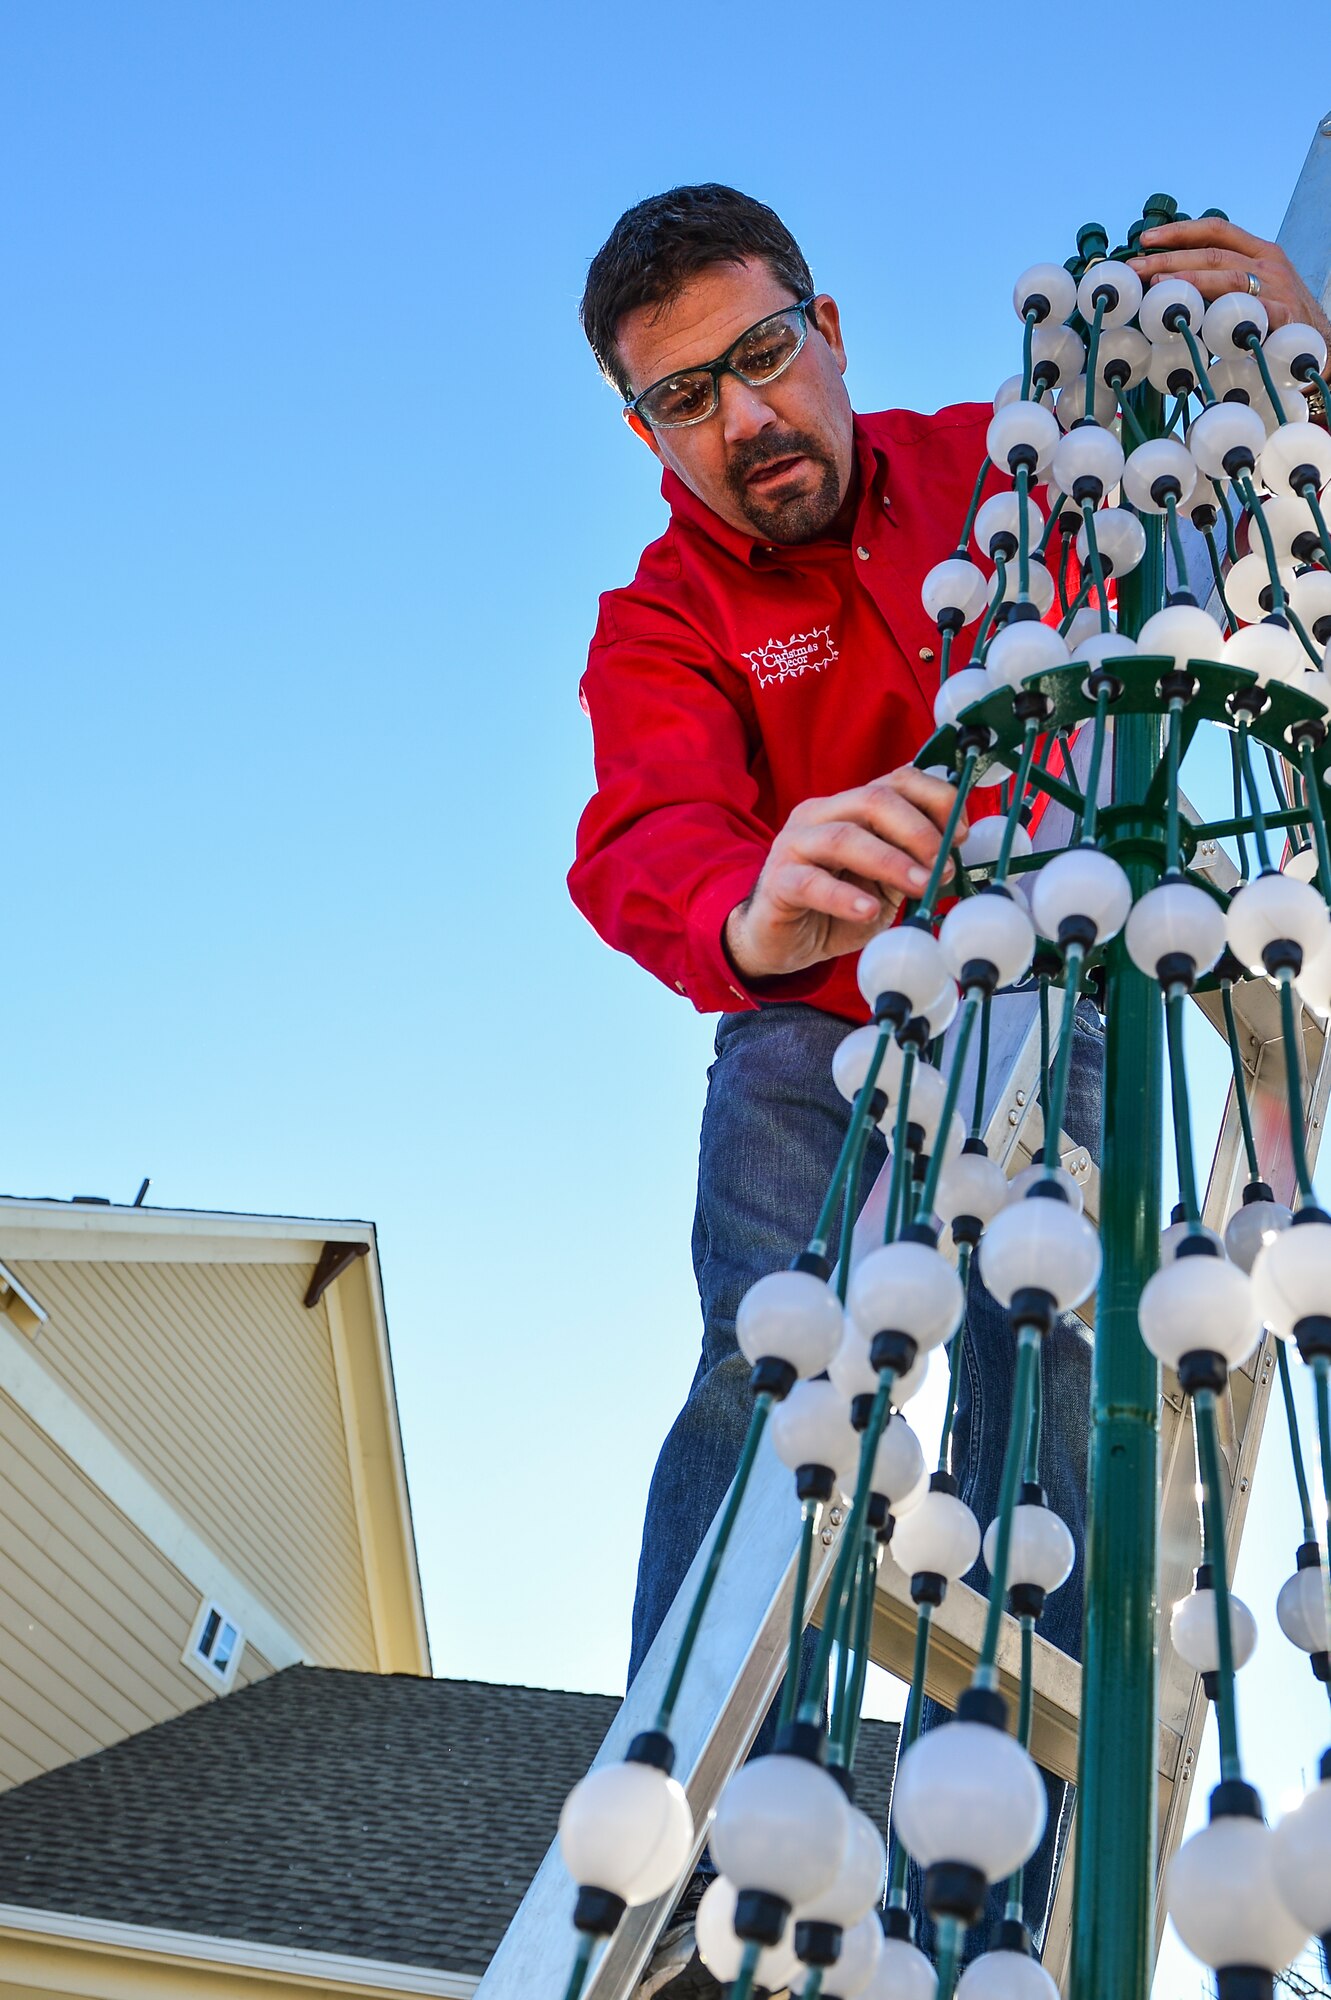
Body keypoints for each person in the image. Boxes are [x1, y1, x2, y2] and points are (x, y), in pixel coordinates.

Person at [567, 187, 1328, 1996]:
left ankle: (990, 1903)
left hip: (1055, 1001)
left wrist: (1298, 367)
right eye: (685, 398)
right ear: (642, 427)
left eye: (761, 357)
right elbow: (645, 836)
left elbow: (1241, 529)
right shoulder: (662, 615)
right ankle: (706, 1879)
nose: (744, 419)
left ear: (825, 326)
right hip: (813, 1044)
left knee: (1048, 1399)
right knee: (768, 1386)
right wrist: (750, 906)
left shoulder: (1014, 460)